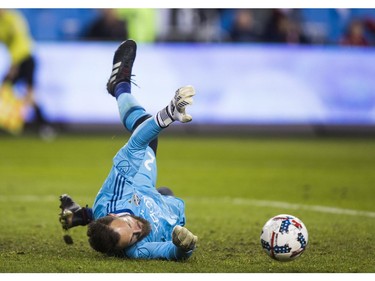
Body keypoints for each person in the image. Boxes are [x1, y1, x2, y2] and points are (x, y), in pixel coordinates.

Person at [58, 39, 198, 261]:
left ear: (115, 214)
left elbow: (136, 143)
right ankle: (82, 215)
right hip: (159, 200)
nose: (138, 231)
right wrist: (185, 244)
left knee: (145, 127)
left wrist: (169, 113)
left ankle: (119, 86)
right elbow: (173, 251)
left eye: (130, 225)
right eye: (133, 237)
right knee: (166, 193)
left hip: (138, 184)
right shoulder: (136, 248)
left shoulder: (117, 189)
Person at [0, 9, 52, 136]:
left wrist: (15, 64)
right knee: (17, 92)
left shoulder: (13, 19)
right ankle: (42, 125)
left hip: (25, 59)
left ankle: (41, 125)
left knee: (22, 93)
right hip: (19, 60)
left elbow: (20, 41)